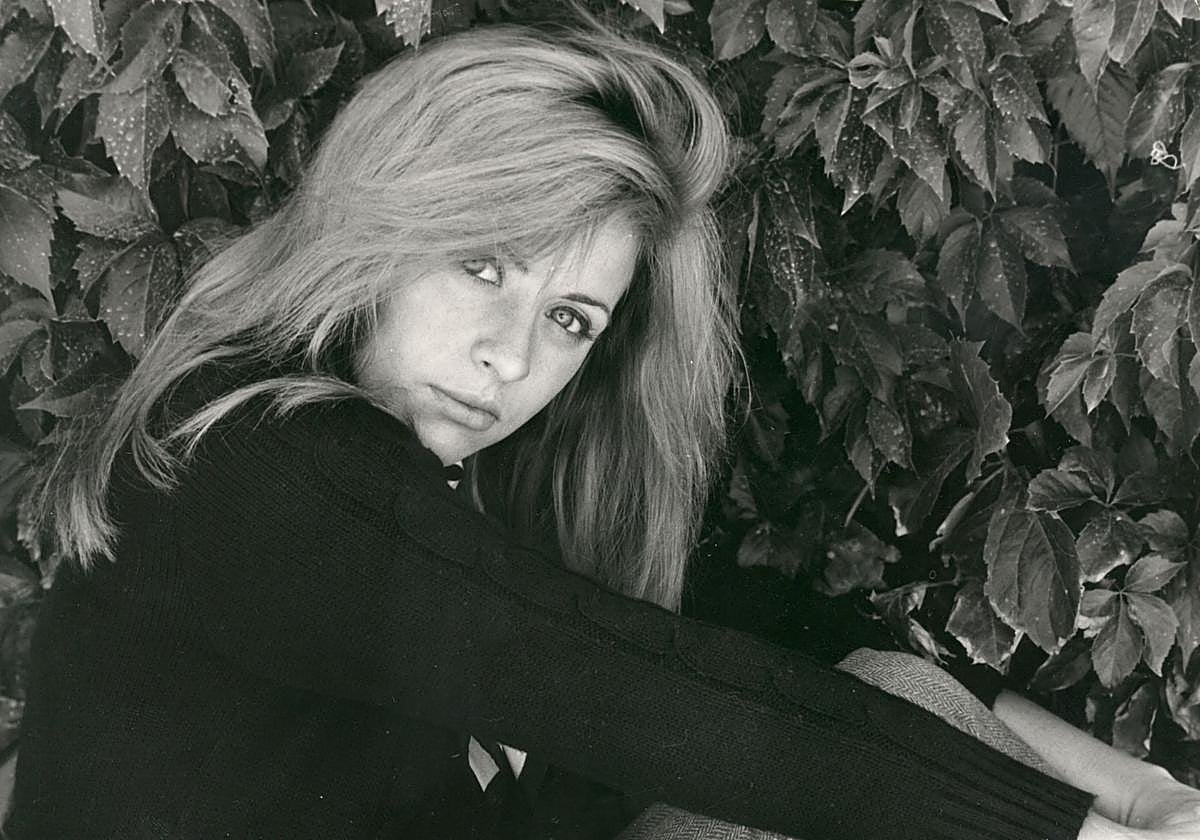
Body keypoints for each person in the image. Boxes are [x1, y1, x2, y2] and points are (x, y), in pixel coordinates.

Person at [7, 16, 1200, 840]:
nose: (511, 355)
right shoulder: (259, 463)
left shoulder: (457, 477)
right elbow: (636, 691)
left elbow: (780, 635)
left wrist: (1138, 794)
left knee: (888, 686)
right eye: (482, 265)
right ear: (382, 228)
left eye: (569, 318)